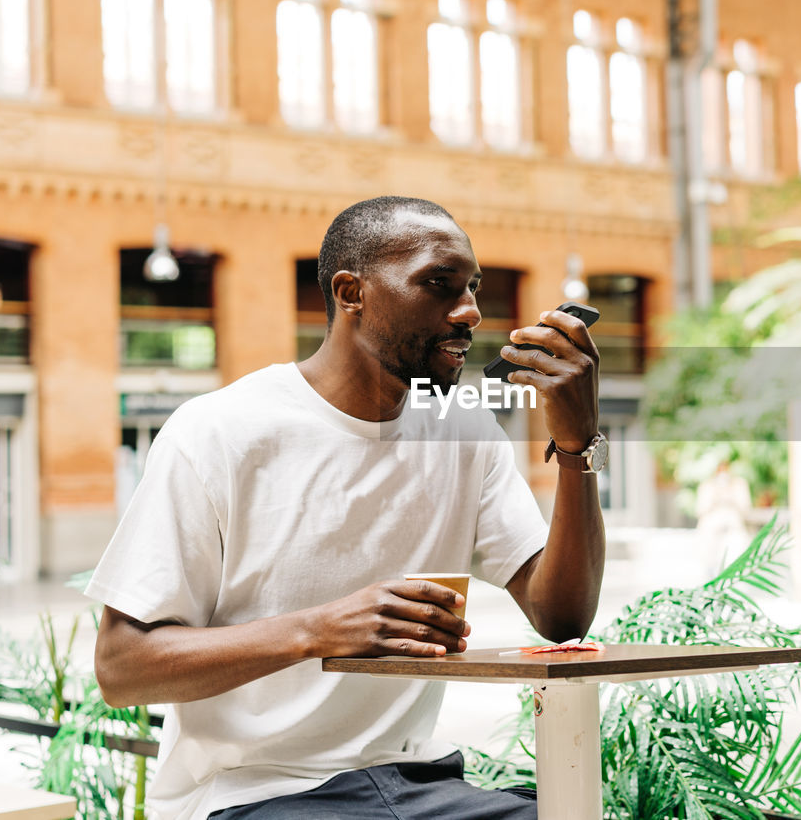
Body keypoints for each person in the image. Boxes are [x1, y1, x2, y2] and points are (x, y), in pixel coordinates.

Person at [85, 196, 607, 819]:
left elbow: (562, 615)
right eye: (438, 284)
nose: (468, 311)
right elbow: (122, 668)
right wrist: (319, 631)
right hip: (253, 793)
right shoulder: (220, 431)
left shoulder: (462, 430)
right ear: (350, 292)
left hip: (415, 785)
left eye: (471, 287)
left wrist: (576, 447)